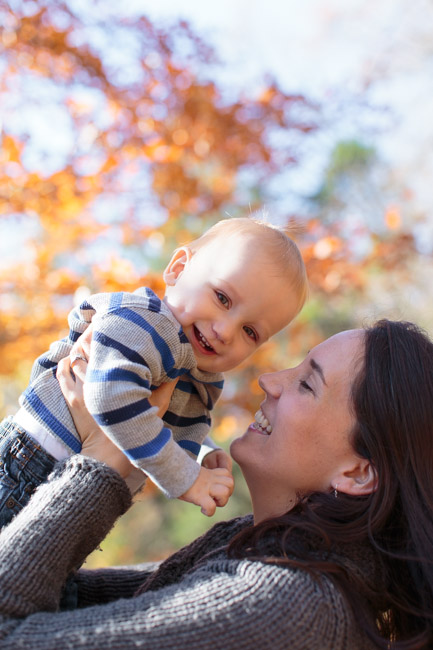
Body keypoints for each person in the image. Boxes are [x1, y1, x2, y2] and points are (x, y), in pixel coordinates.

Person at [1, 319, 433, 649]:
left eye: (306, 383)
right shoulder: (258, 546)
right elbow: (61, 599)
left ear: (359, 473)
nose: (270, 381)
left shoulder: (289, 603)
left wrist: (105, 462)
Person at [0, 216, 307, 522]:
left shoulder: (189, 362)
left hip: (66, 484)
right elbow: (112, 397)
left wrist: (199, 450)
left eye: (250, 332)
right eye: (222, 298)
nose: (225, 331)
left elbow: (154, 415)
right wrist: (186, 477)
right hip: (28, 465)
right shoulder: (144, 324)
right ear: (178, 269)